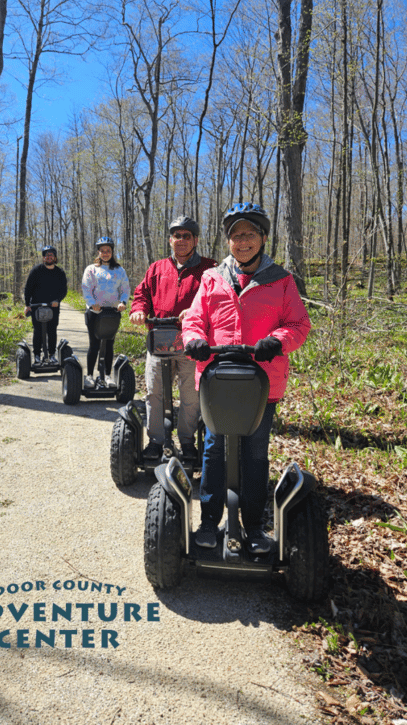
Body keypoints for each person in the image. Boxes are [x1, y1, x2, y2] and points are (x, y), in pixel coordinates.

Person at [181, 202, 311, 553]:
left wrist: (277, 341)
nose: (242, 242)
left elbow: (299, 324)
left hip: (260, 383)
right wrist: (194, 339)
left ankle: (253, 526)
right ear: (228, 242)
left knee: (255, 454)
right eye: (236, 236)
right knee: (213, 450)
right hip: (217, 381)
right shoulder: (211, 279)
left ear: (263, 238)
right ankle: (210, 522)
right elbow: (194, 319)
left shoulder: (281, 280)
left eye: (249, 235)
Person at [129, 216, 217, 461]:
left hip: (192, 342)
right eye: (176, 236)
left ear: (195, 240)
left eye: (186, 236)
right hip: (159, 339)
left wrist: (197, 310)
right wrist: (138, 310)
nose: (181, 240)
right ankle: (156, 442)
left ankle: (187, 442)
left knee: (190, 395)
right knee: (154, 392)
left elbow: (218, 297)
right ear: (170, 240)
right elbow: (142, 293)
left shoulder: (210, 268)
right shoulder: (157, 268)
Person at [81, 237, 130, 388]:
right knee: (94, 344)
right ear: (99, 252)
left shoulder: (119, 270)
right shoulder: (91, 269)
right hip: (95, 313)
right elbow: (86, 288)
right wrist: (92, 303)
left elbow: (125, 289)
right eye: (102, 251)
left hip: (112, 313)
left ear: (112, 252)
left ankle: (107, 375)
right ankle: (89, 376)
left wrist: (123, 302)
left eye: (108, 251)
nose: (105, 253)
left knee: (109, 344)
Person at [24, 245, 68, 363]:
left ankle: (52, 355)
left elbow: (63, 290)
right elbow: (28, 288)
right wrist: (27, 304)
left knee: (52, 330)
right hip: (36, 306)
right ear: (43, 258)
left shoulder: (60, 272)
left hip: (52, 307)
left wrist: (57, 300)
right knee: (37, 331)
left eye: (51, 255)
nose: (49, 257)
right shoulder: (36, 270)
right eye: (46, 255)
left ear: (55, 257)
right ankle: (37, 356)